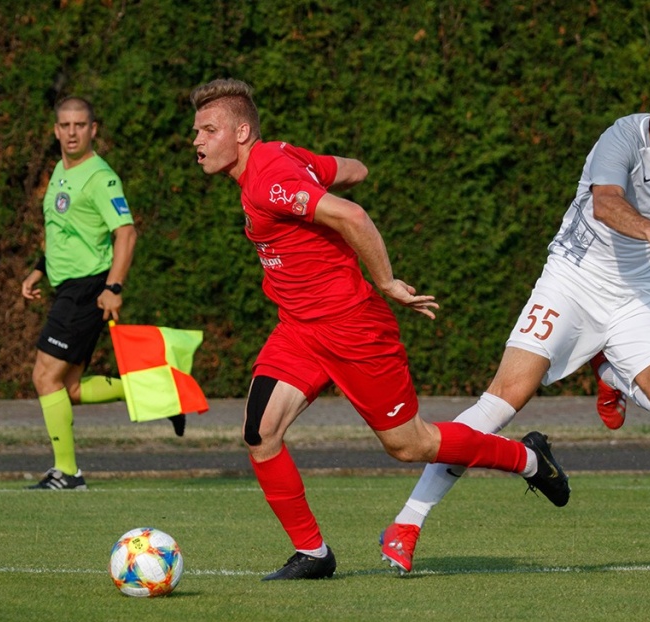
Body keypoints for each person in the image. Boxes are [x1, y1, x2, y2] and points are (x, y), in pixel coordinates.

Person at [189, 78, 570, 580]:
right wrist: (312, 178)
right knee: (261, 434)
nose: (197, 141)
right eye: (196, 131)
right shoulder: (282, 156)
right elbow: (354, 171)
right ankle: (313, 554)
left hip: (353, 327)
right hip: (299, 329)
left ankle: (528, 459)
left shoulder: (268, 179)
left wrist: (386, 281)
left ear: (241, 133)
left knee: (410, 445)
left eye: (208, 130)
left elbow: (350, 213)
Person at [380, 78, 650, 573]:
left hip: (640, 299)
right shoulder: (622, 138)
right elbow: (606, 202)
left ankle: (609, 371)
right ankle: (407, 523)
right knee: (501, 402)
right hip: (573, 282)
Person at [21, 97, 182, 490]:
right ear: (56, 130)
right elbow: (65, 231)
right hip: (66, 286)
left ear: (93, 129)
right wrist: (40, 269)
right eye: (65, 125)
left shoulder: (101, 177)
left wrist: (113, 287)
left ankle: (67, 473)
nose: (72, 132)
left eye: (80, 125)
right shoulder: (60, 170)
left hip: (87, 288)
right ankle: (161, 392)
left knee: (44, 377)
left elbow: (126, 233)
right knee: (69, 389)